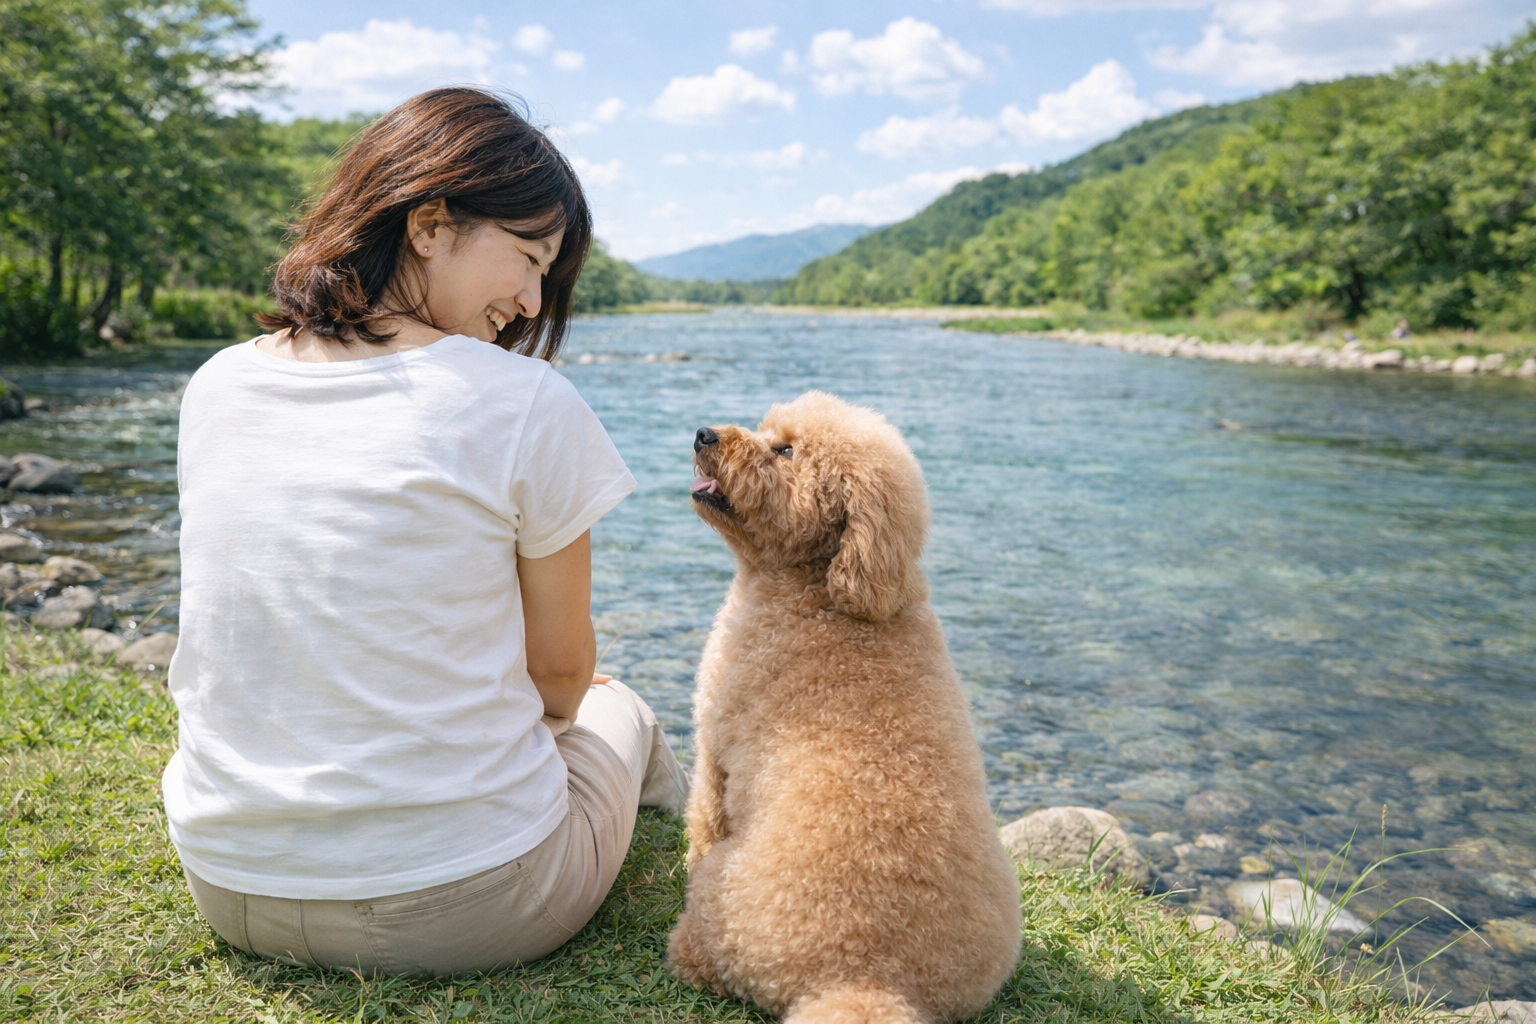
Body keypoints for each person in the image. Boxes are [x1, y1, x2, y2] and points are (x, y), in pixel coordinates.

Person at [162, 87, 688, 977]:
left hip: (232, 884)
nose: (531, 301)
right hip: (466, 906)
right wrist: (547, 706)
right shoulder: (525, 401)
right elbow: (560, 679)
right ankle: (698, 838)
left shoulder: (215, 384)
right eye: (528, 257)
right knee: (615, 705)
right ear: (431, 224)